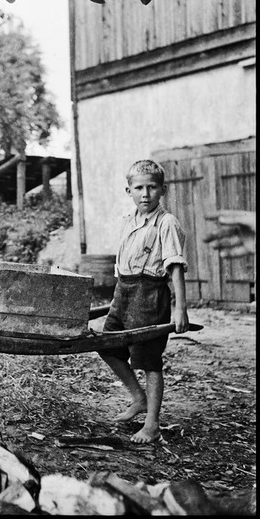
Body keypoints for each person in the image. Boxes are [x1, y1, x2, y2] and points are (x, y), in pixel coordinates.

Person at [97, 159, 189, 444]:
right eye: (139, 188)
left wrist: (180, 308)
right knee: (108, 345)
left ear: (163, 189)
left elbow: (174, 267)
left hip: (150, 294)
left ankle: (152, 425)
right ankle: (138, 398)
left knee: (149, 360)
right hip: (123, 292)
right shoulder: (127, 222)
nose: (145, 194)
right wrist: (118, 292)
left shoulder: (166, 223)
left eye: (152, 187)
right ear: (129, 191)